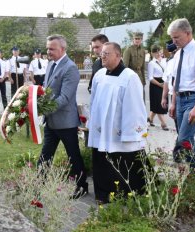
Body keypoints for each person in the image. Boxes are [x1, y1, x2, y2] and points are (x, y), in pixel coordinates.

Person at [88, 42, 148, 203]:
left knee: (124, 162)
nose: (102, 56)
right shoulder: (99, 75)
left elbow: (135, 106)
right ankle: (103, 194)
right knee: (102, 162)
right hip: (102, 129)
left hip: (120, 130)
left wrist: (130, 132)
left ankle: (128, 195)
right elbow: (93, 101)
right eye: (102, 54)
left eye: (106, 54)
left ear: (118, 55)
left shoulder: (129, 77)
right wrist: (91, 123)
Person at [38, 34, 89, 199]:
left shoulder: (70, 68)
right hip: (51, 121)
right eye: (47, 48)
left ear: (62, 49)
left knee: (73, 156)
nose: (48, 51)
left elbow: (65, 98)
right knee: (45, 155)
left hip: (66, 122)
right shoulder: (50, 65)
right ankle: (36, 184)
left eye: (52, 49)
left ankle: (81, 186)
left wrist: (43, 108)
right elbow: (47, 90)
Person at [168, 18, 195, 173]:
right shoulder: (178, 54)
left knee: (184, 139)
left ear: (188, 33)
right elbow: (176, 81)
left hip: (194, 99)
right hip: (180, 99)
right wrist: (173, 103)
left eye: (177, 37)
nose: (174, 41)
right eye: (172, 38)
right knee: (187, 140)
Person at [147, 44, 169, 130]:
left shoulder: (164, 61)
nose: (159, 54)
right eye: (156, 52)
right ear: (152, 54)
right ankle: (164, 124)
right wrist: (159, 84)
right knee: (159, 105)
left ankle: (150, 119)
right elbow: (150, 78)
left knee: (158, 104)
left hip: (164, 83)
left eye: (160, 51)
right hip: (155, 84)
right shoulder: (151, 63)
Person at [123, 32, 146, 100]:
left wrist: (144, 81)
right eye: (136, 38)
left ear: (141, 40)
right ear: (133, 39)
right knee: (133, 97)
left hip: (140, 76)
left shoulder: (142, 50)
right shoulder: (128, 50)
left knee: (141, 97)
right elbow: (125, 67)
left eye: (139, 39)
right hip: (131, 76)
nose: (137, 40)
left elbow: (143, 67)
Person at [161, 40, 178, 132]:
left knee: (183, 126)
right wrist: (164, 97)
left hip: (183, 95)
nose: (172, 54)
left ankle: (182, 144)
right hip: (172, 95)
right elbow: (166, 81)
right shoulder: (170, 62)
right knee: (176, 122)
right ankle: (181, 144)